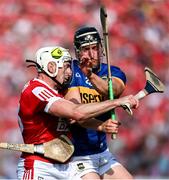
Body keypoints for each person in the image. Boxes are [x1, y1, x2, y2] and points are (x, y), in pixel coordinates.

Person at [17, 45, 138, 179]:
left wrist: (100, 126)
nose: (70, 72)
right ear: (51, 67)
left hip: (65, 168)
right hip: (40, 168)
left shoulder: (59, 91)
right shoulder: (36, 90)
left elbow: (73, 119)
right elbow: (76, 112)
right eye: (66, 66)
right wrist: (115, 102)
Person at [64, 26, 135, 179]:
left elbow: (114, 91)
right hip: (77, 156)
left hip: (102, 153)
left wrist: (90, 75)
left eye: (95, 48)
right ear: (77, 51)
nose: (91, 54)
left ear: (101, 48)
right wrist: (101, 125)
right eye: (86, 49)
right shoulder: (71, 72)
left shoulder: (111, 71)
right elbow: (76, 114)